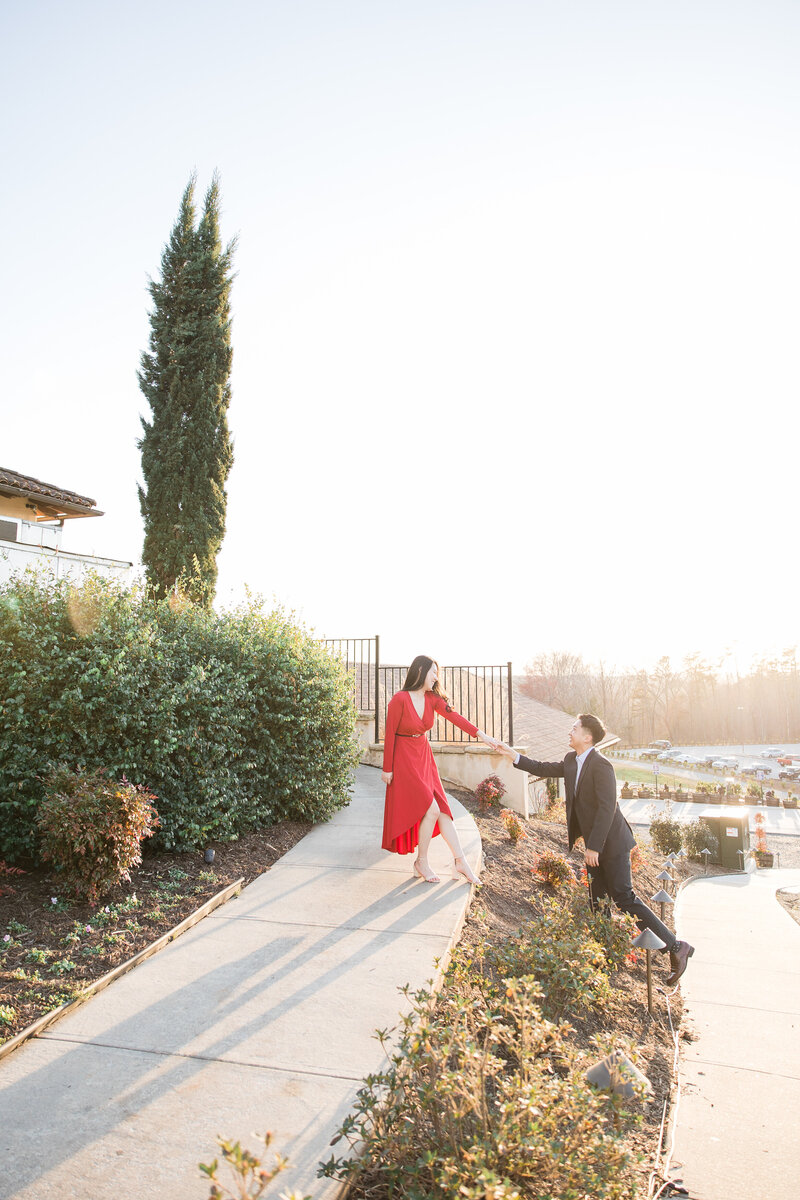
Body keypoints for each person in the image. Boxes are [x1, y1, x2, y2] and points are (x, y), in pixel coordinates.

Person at [495, 713, 695, 986]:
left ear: (587, 736)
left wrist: (594, 847)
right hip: (595, 847)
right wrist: (512, 755)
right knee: (597, 900)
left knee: (624, 898)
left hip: (611, 844)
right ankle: (600, 958)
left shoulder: (601, 765)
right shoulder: (570, 761)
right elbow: (541, 767)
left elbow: (607, 807)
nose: (570, 731)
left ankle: (675, 947)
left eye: (574, 728)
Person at [381, 655, 498, 884]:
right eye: (433, 672)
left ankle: (460, 861)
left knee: (443, 810)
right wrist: (387, 769)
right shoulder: (399, 699)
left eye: (437, 673)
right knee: (431, 810)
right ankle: (421, 861)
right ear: (420, 671)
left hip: (424, 756)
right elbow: (389, 734)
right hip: (404, 759)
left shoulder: (432, 699)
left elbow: (455, 717)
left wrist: (481, 735)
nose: (436, 677)